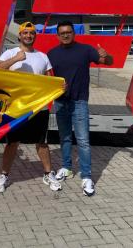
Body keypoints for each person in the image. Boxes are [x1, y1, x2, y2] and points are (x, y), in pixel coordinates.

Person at [0, 22, 62, 193]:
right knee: (12, 143)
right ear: (20, 35)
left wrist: (59, 87)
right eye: (25, 33)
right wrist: (16, 59)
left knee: (42, 142)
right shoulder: (10, 53)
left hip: (39, 107)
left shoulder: (43, 56)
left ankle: (48, 173)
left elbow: (49, 80)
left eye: (31, 33)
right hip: (16, 107)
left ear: (34, 36)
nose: (28, 36)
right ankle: (4, 175)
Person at [47, 21, 113, 197]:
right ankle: (66, 167)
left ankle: (86, 176)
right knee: (65, 138)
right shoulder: (52, 54)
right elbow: (45, 78)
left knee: (83, 140)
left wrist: (107, 56)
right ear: (58, 35)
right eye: (62, 33)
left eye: (68, 32)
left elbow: (107, 61)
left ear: (74, 33)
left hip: (80, 102)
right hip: (60, 102)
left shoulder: (85, 50)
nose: (66, 35)